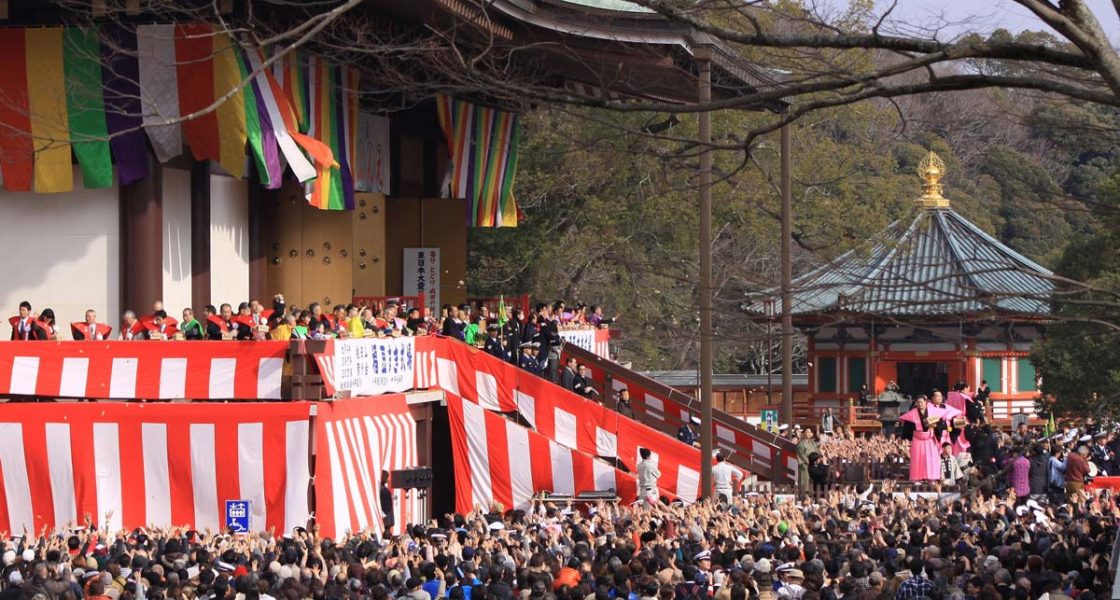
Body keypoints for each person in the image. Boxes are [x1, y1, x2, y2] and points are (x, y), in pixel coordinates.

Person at [897, 395, 957, 481]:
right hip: (918, 439)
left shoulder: (933, 411)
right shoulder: (913, 413)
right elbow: (907, 427)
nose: (920, 404)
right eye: (918, 402)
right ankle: (917, 479)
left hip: (930, 439)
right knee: (918, 460)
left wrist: (935, 426)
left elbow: (941, 424)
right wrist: (904, 437)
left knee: (931, 460)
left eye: (921, 402)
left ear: (926, 402)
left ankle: (932, 478)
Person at [380, 470, 395, 535]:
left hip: (388, 516)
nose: (387, 478)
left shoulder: (383, 489)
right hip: (386, 517)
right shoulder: (381, 489)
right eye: (386, 476)